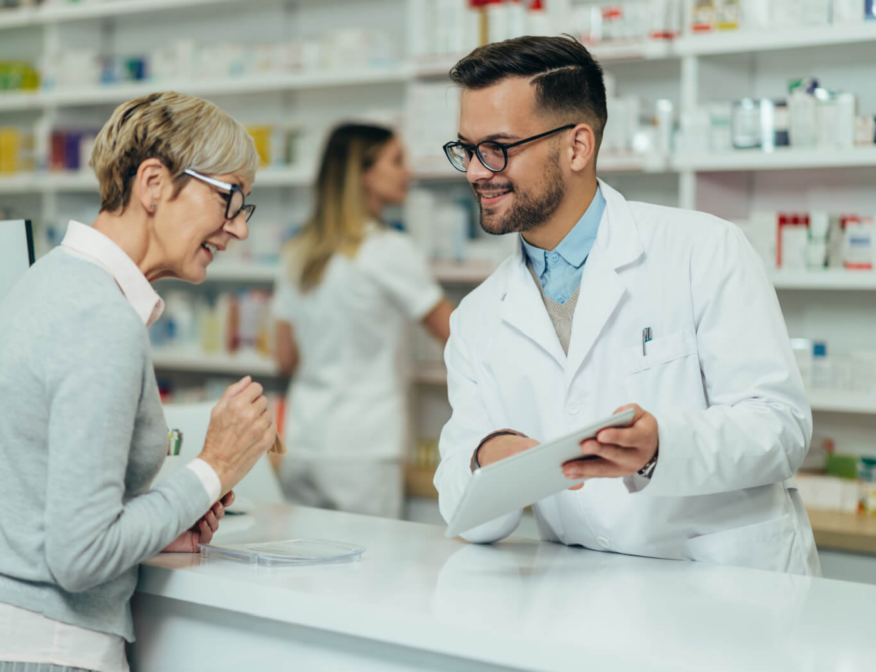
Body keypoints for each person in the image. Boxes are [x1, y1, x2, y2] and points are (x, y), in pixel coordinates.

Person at [435, 37, 820, 576]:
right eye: (467, 149)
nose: (476, 171)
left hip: (731, 592)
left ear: (577, 146)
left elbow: (781, 430)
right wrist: (489, 457)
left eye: (498, 147)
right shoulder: (477, 317)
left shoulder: (702, 249)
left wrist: (661, 445)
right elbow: (464, 515)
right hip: (588, 596)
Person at [0, 92, 277, 672]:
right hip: (45, 651)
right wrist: (213, 467)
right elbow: (82, 558)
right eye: (230, 199)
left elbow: (50, 513)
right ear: (153, 183)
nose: (238, 229)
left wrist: (158, 524)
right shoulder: (101, 319)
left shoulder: (50, 280)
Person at [273, 123, 453, 519]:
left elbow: (284, 357)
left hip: (303, 443)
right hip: (363, 450)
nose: (408, 172)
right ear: (363, 174)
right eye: (396, 161)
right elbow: (456, 335)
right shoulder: (389, 250)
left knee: (302, 571)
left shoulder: (298, 252)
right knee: (366, 574)